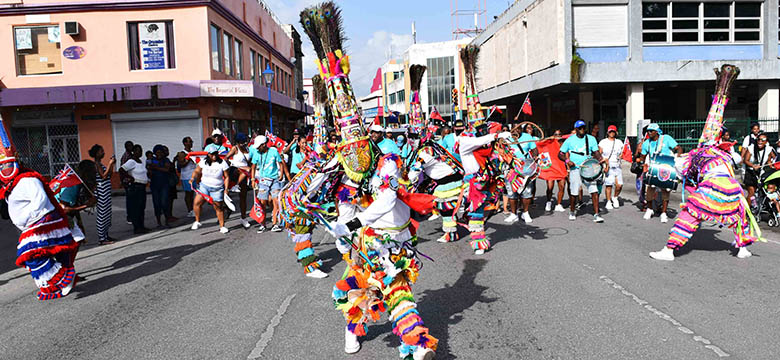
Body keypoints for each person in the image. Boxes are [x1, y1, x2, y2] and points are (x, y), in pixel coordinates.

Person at [327, 153, 437, 359]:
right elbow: (347, 212)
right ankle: (352, 331)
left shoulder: (389, 165)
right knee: (363, 293)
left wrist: (349, 226)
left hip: (399, 248)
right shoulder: (351, 180)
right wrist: (343, 237)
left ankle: (416, 344)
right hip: (371, 247)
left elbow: (388, 199)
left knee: (400, 295)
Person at [0, 120, 80, 300]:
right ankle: (58, 283)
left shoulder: (27, 180)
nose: (5, 169)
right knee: (54, 252)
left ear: (16, 163)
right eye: (1, 166)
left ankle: (62, 278)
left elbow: (40, 200)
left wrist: (28, 221)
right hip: (36, 223)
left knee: (30, 253)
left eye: (7, 165)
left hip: (42, 220)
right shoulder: (10, 187)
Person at [559, 119, 605, 223]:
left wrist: (601, 160)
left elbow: (596, 152)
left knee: (594, 190)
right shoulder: (570, 140)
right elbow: (560, 154)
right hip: (575, 168)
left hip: (588, 167)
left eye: (583, 127)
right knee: (574, 191)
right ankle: (572, 211)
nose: (582, 129)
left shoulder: (591, 139)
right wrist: (567, 161)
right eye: (580, 128)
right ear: (576, 129)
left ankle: (597, 214)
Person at [638, 123, 682, 223]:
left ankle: (664, 213)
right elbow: (643, 157)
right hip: (653, 168)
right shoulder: (647, 143)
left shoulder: (666, 138)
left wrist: (678, 156)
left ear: (656, 132)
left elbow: (678, 148)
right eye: (647, 131)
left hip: (666, 168)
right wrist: (640, 161)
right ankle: (649, 209)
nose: (648, 133)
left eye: (651, 131)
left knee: (665, 190)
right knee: (649, 190)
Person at [250, 135, 290, 232]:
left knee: (276, 201)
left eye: (259, 146)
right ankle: (263, 224)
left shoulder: (273, 151)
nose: (258, 148)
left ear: (264, 145)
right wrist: (252, 179)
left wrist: (281, 174)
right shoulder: (256, 153)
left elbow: (280, 162)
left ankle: (274, 224)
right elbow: (253, 166)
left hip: (275, 179)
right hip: (263, 181)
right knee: (263, 202)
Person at [190, 144, 230, 234]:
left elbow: (226, 177)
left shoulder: (222, 163)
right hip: (204, 186)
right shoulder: (203, 162)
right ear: (208, 154)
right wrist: (192, 178)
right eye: (212, 154)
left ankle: (222, 226)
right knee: (196, 203)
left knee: (218, 208)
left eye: (216, 154)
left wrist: (226, 189)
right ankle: (197, 221)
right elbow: (197, 171)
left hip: (217, 188)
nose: (214, 156)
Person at [119, 144, 149, 234]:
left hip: (142, 187)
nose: (140, 152)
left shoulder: (140, 161)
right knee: (136, 208)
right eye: (137, 150)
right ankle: (137, 227)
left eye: (141, 150)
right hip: (135, 186)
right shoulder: (131, 161)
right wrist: (130, 178)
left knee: (141, 207)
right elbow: (121, 170)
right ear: (133, 152)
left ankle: (141, 226)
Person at [89, 144, 116, 245]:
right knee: (102, 214)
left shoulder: (100, 164)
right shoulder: (96, 164)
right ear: (96, 154)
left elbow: (109, 174)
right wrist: (110, 163)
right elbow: (103, 176)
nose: (103, 152)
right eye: (101, 151)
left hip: (106, 191)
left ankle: (106, 235)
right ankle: (102, 238)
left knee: (107, 214)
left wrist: (111, 165)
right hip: (101, 192)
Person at [224, 133, 253, 228]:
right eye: (241, 142)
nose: (243, 144)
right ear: (237, 142)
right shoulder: (235, 148)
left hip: (245, 173)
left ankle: (243, 217)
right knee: (244, 172)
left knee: (243, 197)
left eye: (244, 142)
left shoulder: (248, 149)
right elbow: (226, 158)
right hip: (235, 171)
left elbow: (250, 161)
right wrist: (233, 164)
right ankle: (236, 185)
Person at [743, 132, 777, 205]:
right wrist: (753, 166)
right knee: (751, 192)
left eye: (763, 140)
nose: (760, 141)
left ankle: (755, 208)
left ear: (766, 141)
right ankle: (747, 213)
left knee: (758, 192)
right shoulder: (751, 148)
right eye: (759, 139)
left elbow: (769, 160)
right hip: (750, 172)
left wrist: (773, 166)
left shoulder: (768, 149)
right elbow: (745, 160)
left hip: (760, 173)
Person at [147, 144, 175, 228]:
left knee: (164, 202)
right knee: (156, 203)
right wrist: (150, 170)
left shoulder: (166, 160)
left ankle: (167, 221)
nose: (159, 154)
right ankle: (159, 222)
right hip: (154, 185)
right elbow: (149, 170)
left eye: (160, 152)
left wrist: (155, 168)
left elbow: (167, 169)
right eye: (157, 152)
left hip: (164, 185)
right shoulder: (152, 160)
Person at [598, 125, 624, 210]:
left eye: (613, 132)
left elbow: (623, 152)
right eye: (610, 131)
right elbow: (599, 153)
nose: (611, 133)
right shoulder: (603, 142)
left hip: (617, 165)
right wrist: (603, 161)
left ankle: (615, 197)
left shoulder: (619, 142)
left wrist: (621, 156)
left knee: (619, 185)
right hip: (607, 164)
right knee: (609, 185)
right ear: (607, 132)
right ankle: (608, 201)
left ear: (616, 132)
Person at [544, 129, 567, 213]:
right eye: (556, 134)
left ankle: (559, 204)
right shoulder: (549, 142)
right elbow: (540, 142)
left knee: (562, 186)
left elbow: (567, 154)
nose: (558, 136)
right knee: (550, 187)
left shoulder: (564, 144)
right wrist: (549, 138)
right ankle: (548, 202)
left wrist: (567, 167)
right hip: (551, 168)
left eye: (559, 134)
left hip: (561, 168)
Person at [177, 137, 196, 217]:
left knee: (194, 193)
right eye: (189, 142)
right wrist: (188, 159)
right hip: (186, 176)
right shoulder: (182, 153)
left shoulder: (192, 152)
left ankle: (194, 209)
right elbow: (181, 165)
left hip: (194, 175)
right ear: (185, 143)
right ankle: (190, 210)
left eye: (191, 142)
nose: (191, 143)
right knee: (188, 194)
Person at [120, 140, 134, 225]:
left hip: (131, 180)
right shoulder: (125, 157)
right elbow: (122, 170)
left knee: (133, 200)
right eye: (129, 146)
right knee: (130, 200)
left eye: (131, 146)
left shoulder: (131, 155)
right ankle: (129, 217)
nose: (131, 147)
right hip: (127, 181)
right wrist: (124, 180)